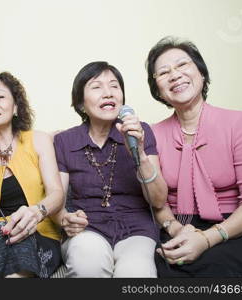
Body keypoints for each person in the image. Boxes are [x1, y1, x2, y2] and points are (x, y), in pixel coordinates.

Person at [146, 36, 242, 277]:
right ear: (158, 89)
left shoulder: (238, 123)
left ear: (201, 73)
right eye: (163, 72)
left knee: (216, 266)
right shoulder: (153, 134)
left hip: (235, 225)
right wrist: (177, 230)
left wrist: (207, 239)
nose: (175, 75)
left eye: (182, 65)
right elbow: (157, 203)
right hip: (178, 226)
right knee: (160, 266)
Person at [53, 61, 168, 278]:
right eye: (97, 87)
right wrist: (64, 219)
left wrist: (140, 153)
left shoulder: (141, 132)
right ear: (80, 103)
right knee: (88, 265)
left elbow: (159, 200)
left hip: (137, 230)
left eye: (115, 86)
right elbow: (56, 199)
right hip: (87, 229)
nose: (108, 93)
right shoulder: (64, 141)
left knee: (137, 273)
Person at [0, 69, 63, 278]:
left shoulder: (38, 140)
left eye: (0, 97)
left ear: (16, 107)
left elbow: (57, 193)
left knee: (21, 240)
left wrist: (35, 212)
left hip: (39, 234)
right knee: (3, 236)